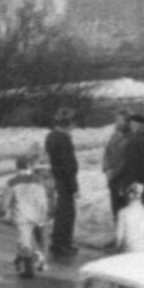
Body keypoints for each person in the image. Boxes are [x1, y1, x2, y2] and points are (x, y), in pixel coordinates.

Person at [0, 154, 52, 276]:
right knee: (42, 237)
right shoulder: (38, 180)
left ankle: (28, 268)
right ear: (30, 166)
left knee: (24, 242)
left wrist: (1, 212)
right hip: (38, 214)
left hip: (22, 216)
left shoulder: (12, 182)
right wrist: (45, 212)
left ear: (17, 167)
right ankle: (42, 260)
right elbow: (43, 199)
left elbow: (4, 204)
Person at [43, 109, 81, 258]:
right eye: (72, 123)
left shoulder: (51, 136)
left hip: (57, 178)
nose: (74, 125)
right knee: (66, 213)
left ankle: (60, 242)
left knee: (62, 211)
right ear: (68, 123)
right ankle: (62, 244)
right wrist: (74, 186)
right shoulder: (63, 139)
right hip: (64, 180)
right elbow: (68, 165)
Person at [110, 181, 144, 254]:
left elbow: (119, 237)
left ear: (128, 196)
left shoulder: (123, 213)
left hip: (129, 251)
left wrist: (116, 250)